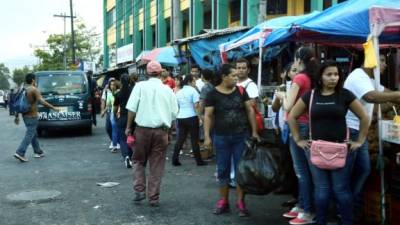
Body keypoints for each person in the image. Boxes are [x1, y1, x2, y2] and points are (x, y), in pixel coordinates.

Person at [288, 60, 369, 225]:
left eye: (336, 74)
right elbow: (292, 116)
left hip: (341, 149)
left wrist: (359, 140)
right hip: (316, 149)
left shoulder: (345, 95)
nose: (333, 78)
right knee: (322, 191)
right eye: (329, 74)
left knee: (341, 190)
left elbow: (364, 117)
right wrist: (298, 139)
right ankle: (321, 221)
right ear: (320, 76)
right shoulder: (310, 95)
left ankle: (347, 221)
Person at [344, 53, 400, 219]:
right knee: (350, 174)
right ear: (370, 60)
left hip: (361, 131)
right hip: (350, 131)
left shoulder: (371, 79)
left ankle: (355, 208)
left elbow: (385, 91)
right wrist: (397, 96)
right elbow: (372, 96)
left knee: (363, 170)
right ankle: (347, 212)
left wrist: (396, 95)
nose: (385, 65)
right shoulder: (358, 76)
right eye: (381, 60)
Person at [204, 64, 260, 217]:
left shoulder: (242, 91)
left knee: (241, 170)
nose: (237, 78)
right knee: (223, 170)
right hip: (221, 137)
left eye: (237, 75)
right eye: (233, 75)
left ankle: (240, 202)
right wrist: (207, 137)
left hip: (241, 136)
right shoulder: (212, 94)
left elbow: (250, 111)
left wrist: (254, 132)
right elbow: (208, 116)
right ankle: (223, 201)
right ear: (224, 77)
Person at [125, 60, 178, 207]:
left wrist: (129, 127)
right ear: (161, 73)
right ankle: (153, 197)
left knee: (138, 160)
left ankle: (139, 191)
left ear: (147, 73)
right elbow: (174, 114)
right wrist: (169, 132)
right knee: (157, 165)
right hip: (161, 131)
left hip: (142, 130)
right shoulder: (168, 90)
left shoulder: (139, 86)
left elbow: (131, 109)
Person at [276, 46, 318, 225]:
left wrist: (280, 94)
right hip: (308, 124)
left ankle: (307, 210)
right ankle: (302, 206)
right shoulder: (312, 78)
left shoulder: (300, 78)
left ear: (298, 59)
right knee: (304, 171)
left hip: (297, 125)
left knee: (302, 172)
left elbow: (288, 105)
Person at [13, 73, 59, 162]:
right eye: (35, 79)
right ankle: (20, 152)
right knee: (30, 134)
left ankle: (38, 152)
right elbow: (42, 101)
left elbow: (18, 103)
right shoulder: (34, 89)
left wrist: (16, 116)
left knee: (33, 133)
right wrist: (53, 107)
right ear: (33, 80)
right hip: (32, 116)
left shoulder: (23, 89)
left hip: (25, 115)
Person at [271, 62, 298, 207]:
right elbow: (275, 109)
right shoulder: (283, 88)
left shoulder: (302, 87)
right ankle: (292, 192)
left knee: (296, 166)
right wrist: (278, 96)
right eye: (293, 70)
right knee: (286, 162)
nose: (296, 72)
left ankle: (298, 196)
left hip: (296, 130)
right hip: (284, 130)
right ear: (287, 73)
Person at [171, 75, 206, 166]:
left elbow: (176, 106)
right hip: (192, 117)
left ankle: (175, 159)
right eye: (194, 81)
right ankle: (199, 161)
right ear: (190, 82)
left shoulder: (179, 92)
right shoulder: (193, 91)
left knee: (180, 139)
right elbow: (196, 106)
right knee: (194, 140)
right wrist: (200, 118)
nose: (195, 83)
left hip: (181, 117)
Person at [114, 74, 134, 168]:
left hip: (122, 117)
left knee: (123, 139)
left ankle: (126, 156)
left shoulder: (118, 94)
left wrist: (115, 116)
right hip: (134, 118)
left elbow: (115, 107)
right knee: (132, 137)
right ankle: (131, 155)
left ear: (121, 82)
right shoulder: (133, 92)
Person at [101, 78, 120, 152]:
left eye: (114, 84)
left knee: (115, 128)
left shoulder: (119, 92)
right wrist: (103, 111)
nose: (112, 86)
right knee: (109, 127)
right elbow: (107, 103)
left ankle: (115, 143)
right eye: (111, 84)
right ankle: (115, 141)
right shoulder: (107, 93)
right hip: (111, 112)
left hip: (119, 112)